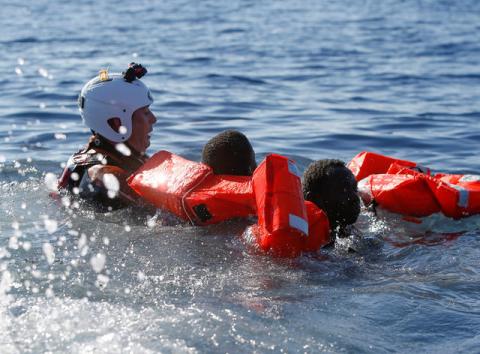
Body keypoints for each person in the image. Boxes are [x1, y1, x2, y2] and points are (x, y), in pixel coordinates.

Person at [58, 63, 157, 210]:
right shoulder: (101, 173)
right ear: (117, 123)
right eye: (146, 113)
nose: (153, 119)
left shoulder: (92, 156)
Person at [302, 159, 361, 238]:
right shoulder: (303, 239)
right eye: (344, 190)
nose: (356, 198)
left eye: (355, 189)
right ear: (315, 199)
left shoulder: (352, 233)